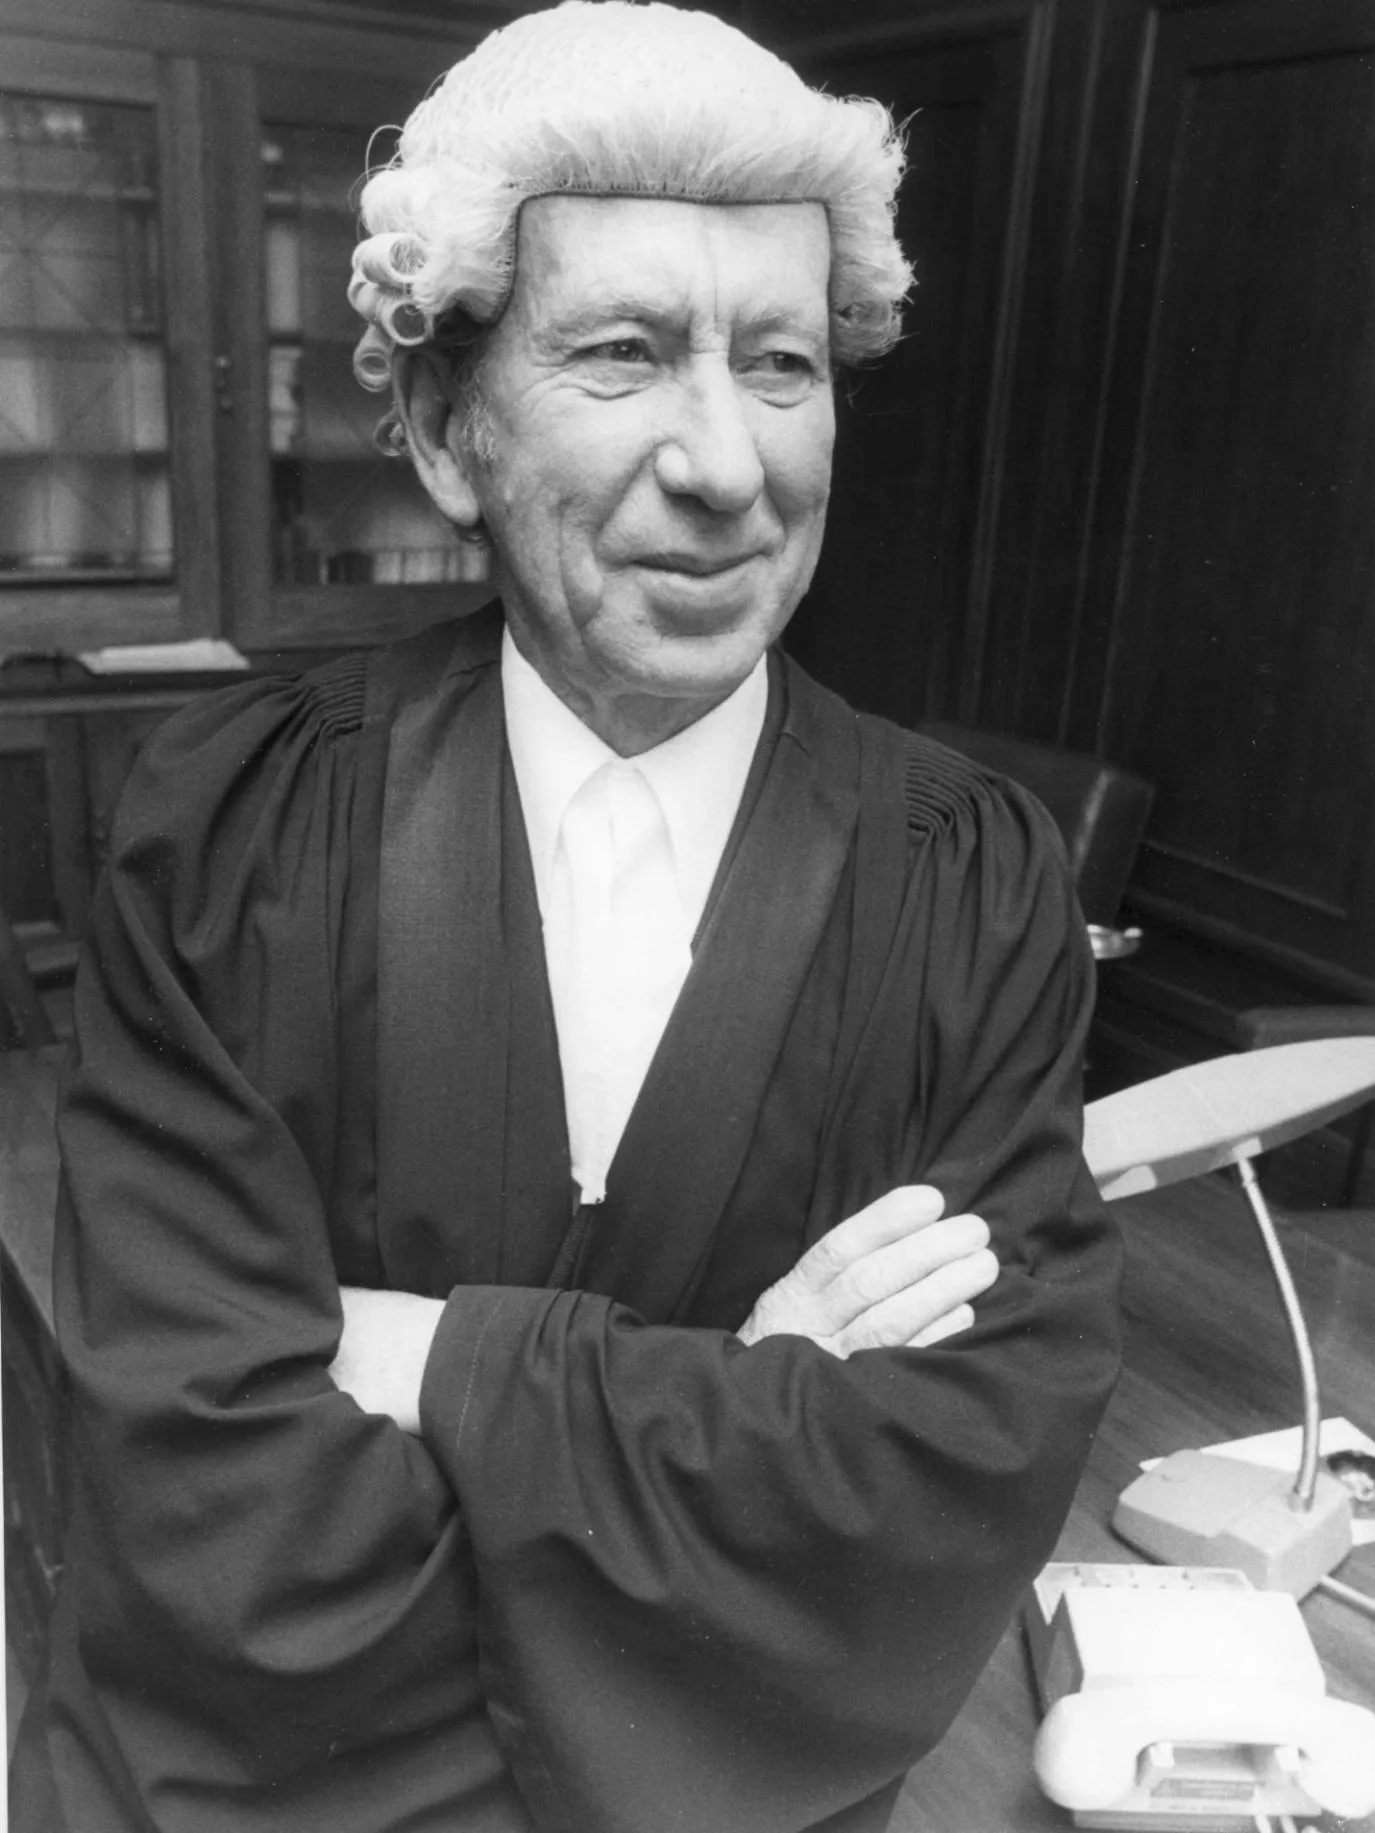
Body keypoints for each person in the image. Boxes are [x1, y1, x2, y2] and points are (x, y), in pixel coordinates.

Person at [11, 7, 1122, 1830]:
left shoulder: (974, 885)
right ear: (446, 433)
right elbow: (211, 1519)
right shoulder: (228, 835)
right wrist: (745, 1404)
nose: (725, 462)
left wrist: (436, 1359)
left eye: (779, 364)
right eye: (623, 354)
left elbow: (943, 1494)